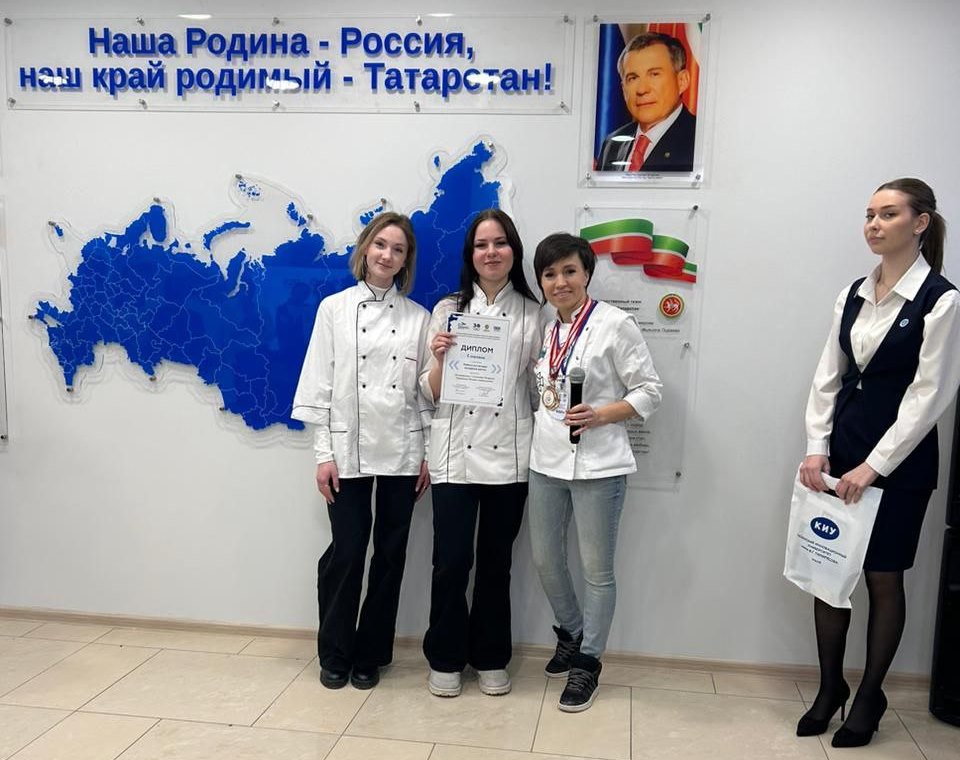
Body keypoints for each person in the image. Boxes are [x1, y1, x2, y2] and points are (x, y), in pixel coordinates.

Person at [797, 178, 960, 747]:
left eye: (888, 214)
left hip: (900, 465)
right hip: (840, 450)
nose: (874, 224)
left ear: (920, 223)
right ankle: (829, 687)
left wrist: (875, 466)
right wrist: (816, 446)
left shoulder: (941, 299)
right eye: (869, 214)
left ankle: (870, 695)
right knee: (828, 572)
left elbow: (929, 396)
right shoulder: (852, 293)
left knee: (882, 577)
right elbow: (828, 376)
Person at [291, 212, 431, 691]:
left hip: (402, 449)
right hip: (346, 447)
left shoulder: (419, 318)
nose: (387, 255)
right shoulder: (333, 309)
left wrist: (426, 454)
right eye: (381, 245)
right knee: (347, 551)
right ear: (366, 249)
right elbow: (320, 384)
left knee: (390, 554)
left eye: (398, 250)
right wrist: (322, 454)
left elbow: (424, 394)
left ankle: (371, 653)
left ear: (406, 261)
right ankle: (335, 651)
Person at [527, 233, 662, 712]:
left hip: (600, 466)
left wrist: (602, 414)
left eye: (569, 271)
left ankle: (588, 661)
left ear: (586, 273)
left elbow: (650, 391)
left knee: (597, 571)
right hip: (546, 461)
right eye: (549, 274)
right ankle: (571, 631)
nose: (560, 282)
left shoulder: (615, 325)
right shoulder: (547, 328)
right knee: (545, 559)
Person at [420, 209, 542, 698]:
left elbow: (539, 388)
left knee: (496, 563)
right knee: (450, 562)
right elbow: (429, 390)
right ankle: (445, 657)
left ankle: (491, 656)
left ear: (513, 250)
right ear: (470, 255)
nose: (491, 252)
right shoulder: (447, 309)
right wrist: (440, 358)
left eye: (500, 243)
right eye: (481, 245)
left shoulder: (534, 313)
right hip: (453, 453)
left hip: (509, 455)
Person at [596, 32, 696, 173]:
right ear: (623, 88)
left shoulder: (700, 140)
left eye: (654, 74)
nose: (642, 89)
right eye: (633, 78)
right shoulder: (612, 143)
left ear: (682, 81)